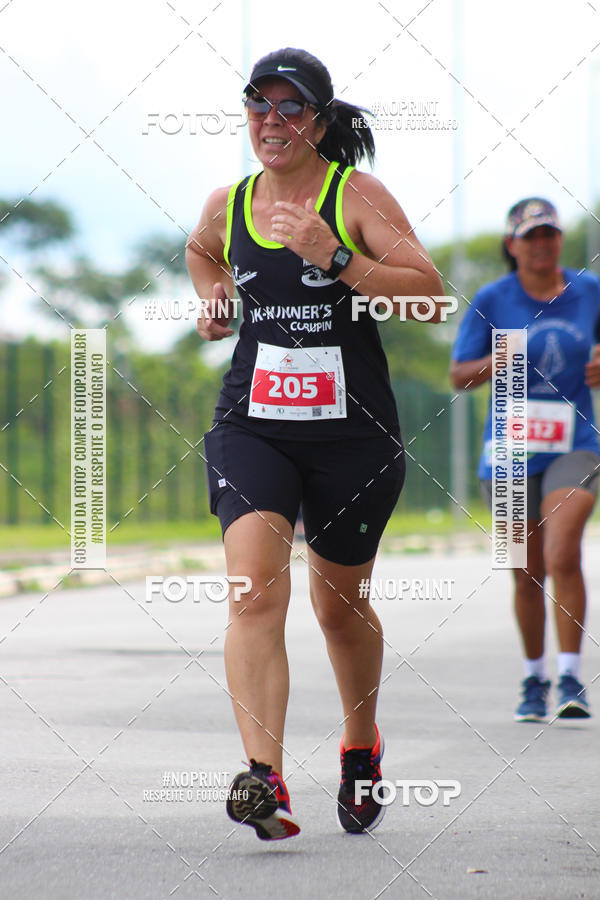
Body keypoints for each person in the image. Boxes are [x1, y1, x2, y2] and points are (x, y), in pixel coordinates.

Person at [186, 46, 444, 840]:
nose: (272, 121)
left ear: (320, 122)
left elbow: (430, 297)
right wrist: (215, 293)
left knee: (340, 610)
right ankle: (265, 781)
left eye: (290, 107)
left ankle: (359, 750)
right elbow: (200, 252)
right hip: (253, 427)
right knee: (257, 590)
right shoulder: (229, 204)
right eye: (259, 105)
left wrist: (333, 256)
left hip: (351, 441)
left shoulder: (353, 194)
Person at [450, 197, 600, 723]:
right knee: (526, 569)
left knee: (562, 551)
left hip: (574, 440)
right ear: (512, 246)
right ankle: (534, 677)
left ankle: (569, 675)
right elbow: (458, 375)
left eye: (549, 234)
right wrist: (498, 359)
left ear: (560, 240)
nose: (542, 244)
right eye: (530, 236)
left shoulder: (590, 292)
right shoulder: (494, 299)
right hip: (511, 446)